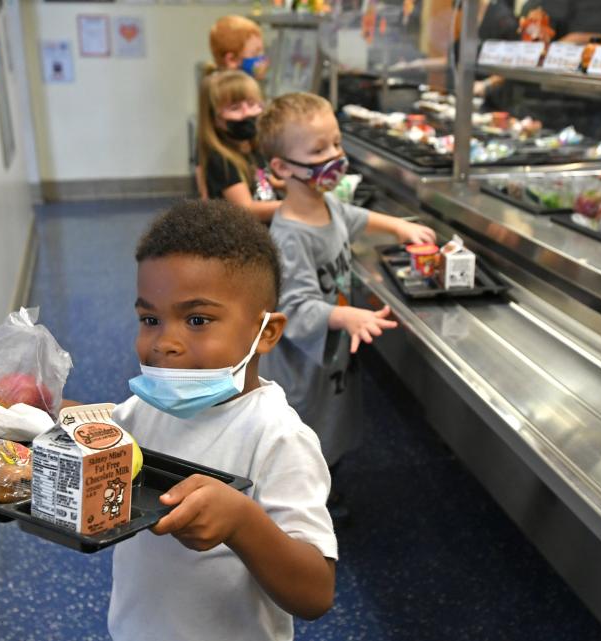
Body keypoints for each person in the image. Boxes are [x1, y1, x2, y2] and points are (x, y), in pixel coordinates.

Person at [107, 199, 337, 641]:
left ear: (266, 332)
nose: (165, 343)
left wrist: (241, 523)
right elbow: (100, 443)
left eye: (197, 319)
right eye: (149, 318)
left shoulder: (277, 438)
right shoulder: (144, 410)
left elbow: (316, 593)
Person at [256, 92, 436, 485]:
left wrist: (398, 226)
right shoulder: (290, 237)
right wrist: (345, 315)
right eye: (319, 149)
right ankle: (302, 496)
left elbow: (354, 217)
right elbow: (297, 308)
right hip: (305, 362)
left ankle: (325, 480)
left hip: (331, 353)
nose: (335, 156)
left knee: (331, 419)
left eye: (336, 143)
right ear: (283, 167)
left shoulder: (327, 205)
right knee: (305, 428)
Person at [198, 70, 282, 221]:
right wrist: (295, 207)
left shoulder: (253, 148)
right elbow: (246, 209)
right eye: (235, 108)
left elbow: (265, 184)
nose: (247, 113)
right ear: (214, 118)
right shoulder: (220, 160)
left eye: (251, 104)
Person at [209, 14, 269, 79]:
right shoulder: (232, 88)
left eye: (262, 52)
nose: (263, 59)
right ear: (231, 60)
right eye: (255, 54)